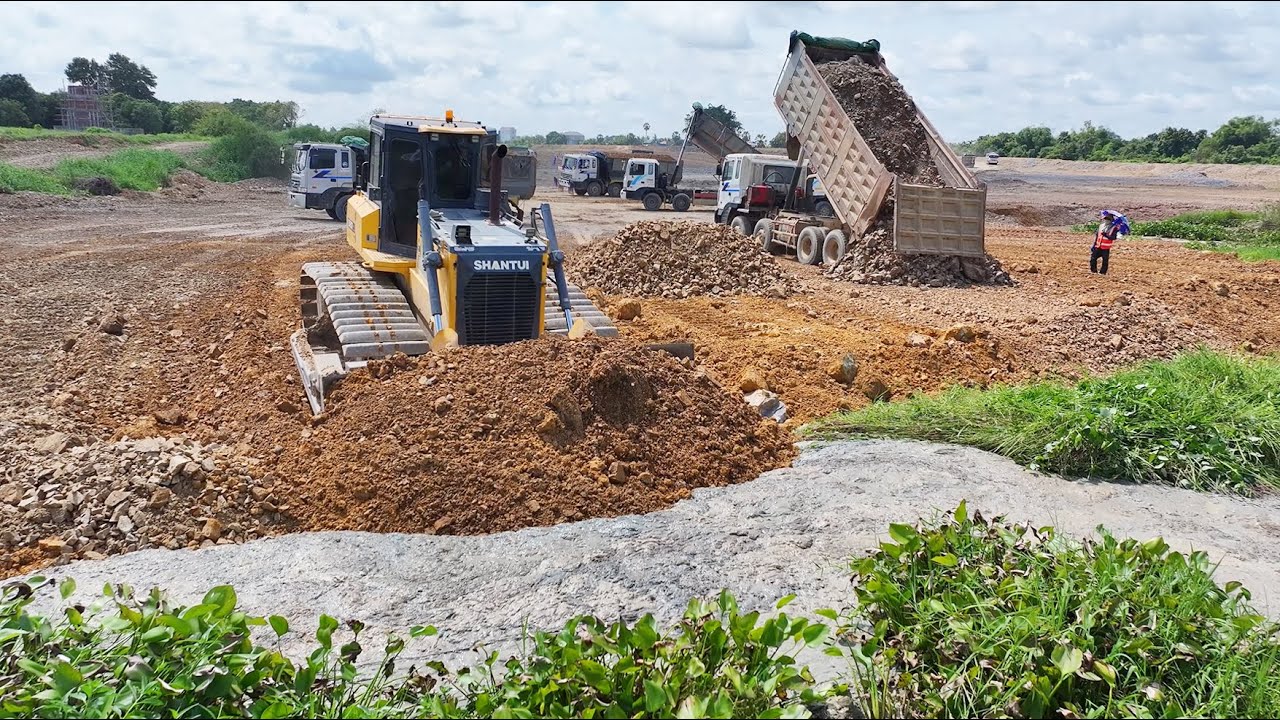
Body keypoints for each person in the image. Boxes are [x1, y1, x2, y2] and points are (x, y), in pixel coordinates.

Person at [1091, 209, 1128, 275]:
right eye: (1105, 219)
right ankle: (1094, 271)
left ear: (1111, 220)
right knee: (1093, 259)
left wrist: (1106, 235)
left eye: (1108, 219)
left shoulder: (1114, 228)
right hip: (1098, 246)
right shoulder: (1101, 226)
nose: (1106, 220)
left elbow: (1113, 237)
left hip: (1105, 248)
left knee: (1105, 261)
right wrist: (1094, 245)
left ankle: (1102, 273)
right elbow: (1097, 236)